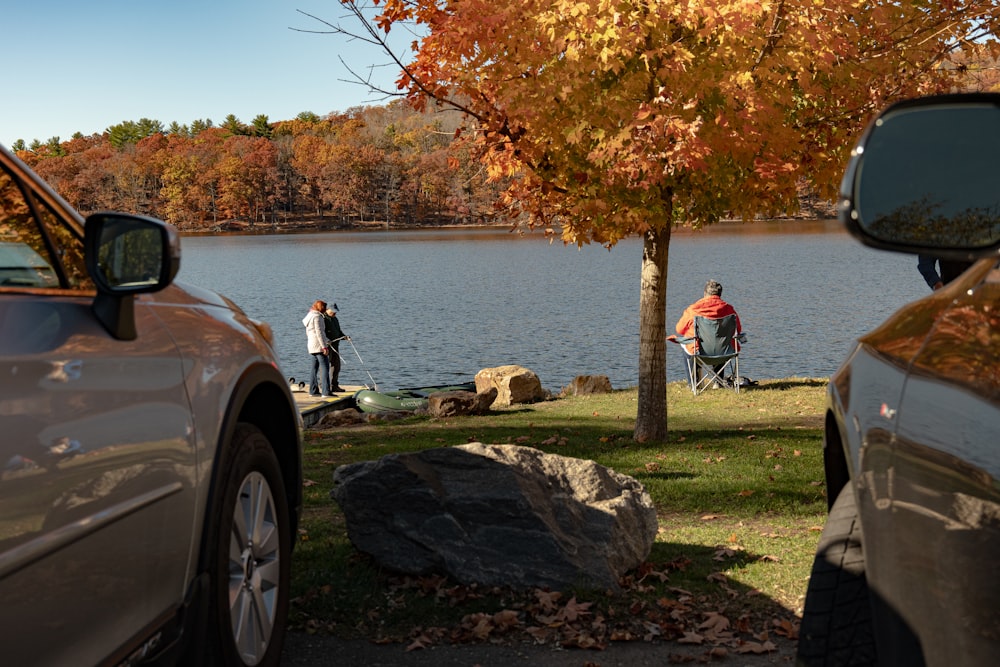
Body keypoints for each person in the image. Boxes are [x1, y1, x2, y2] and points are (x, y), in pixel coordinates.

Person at [674, 279, 743, 384]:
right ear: (720, 294)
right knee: (721, 340)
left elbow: (679, 329)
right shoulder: (730, 310)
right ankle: (718, 382)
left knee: (687, 343)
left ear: (704, 293)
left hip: (699, 352)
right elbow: (738, 330)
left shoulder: (693, 309)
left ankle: (694, 383)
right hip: (725, 353)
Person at [302, 299, 332, 397]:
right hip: (319, 346)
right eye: (324, 308)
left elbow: (309, 333)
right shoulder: (317, 317)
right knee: (325, 367)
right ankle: (326, 392)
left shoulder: (309, 316)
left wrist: (325, 340)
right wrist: (324, 347)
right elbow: (319, 333)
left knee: (314, 368)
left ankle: (313, 390)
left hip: (311, 345)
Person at [322, 303, 350, 393]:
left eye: (335, 312)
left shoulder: (335, 319)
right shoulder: (323, 318)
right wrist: (326, 341)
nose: (335, 314)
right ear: (328, 309)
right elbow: (321, 332)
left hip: (335, 346)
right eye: (333, 312)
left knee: (336, 366)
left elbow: (338, 331)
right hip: (327, 346)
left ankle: (334, 385)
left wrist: (344, 337)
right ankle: (324, 387)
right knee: (325, 367)